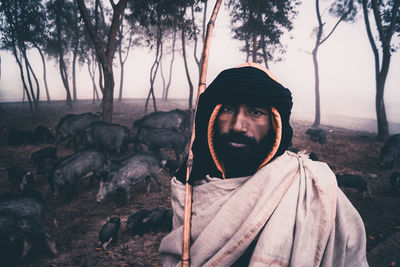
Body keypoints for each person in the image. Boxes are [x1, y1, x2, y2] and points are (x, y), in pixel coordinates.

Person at [159, 62, 368, 266]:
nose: (238, 125)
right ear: (212, 118)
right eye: (229, 108)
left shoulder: (313, 187)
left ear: (274, 123)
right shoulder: (193, 187)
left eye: (255, 112)